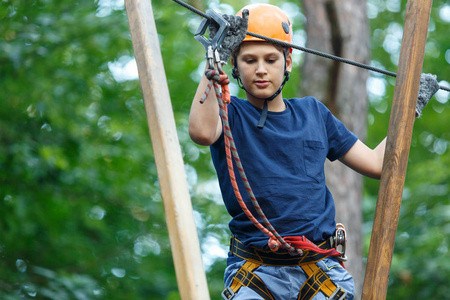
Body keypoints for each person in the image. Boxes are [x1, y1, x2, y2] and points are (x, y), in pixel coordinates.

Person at [188, 3, 439, 300]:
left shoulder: (313, 115)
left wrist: (408, 111)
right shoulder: (229, 114)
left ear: (288, 62)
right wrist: (215, 55)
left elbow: (377, 164)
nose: (260, 69)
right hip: (256, 271)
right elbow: (202, 133)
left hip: (319, 269)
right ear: (235, 63)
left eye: (270, 59)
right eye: (249, 59)